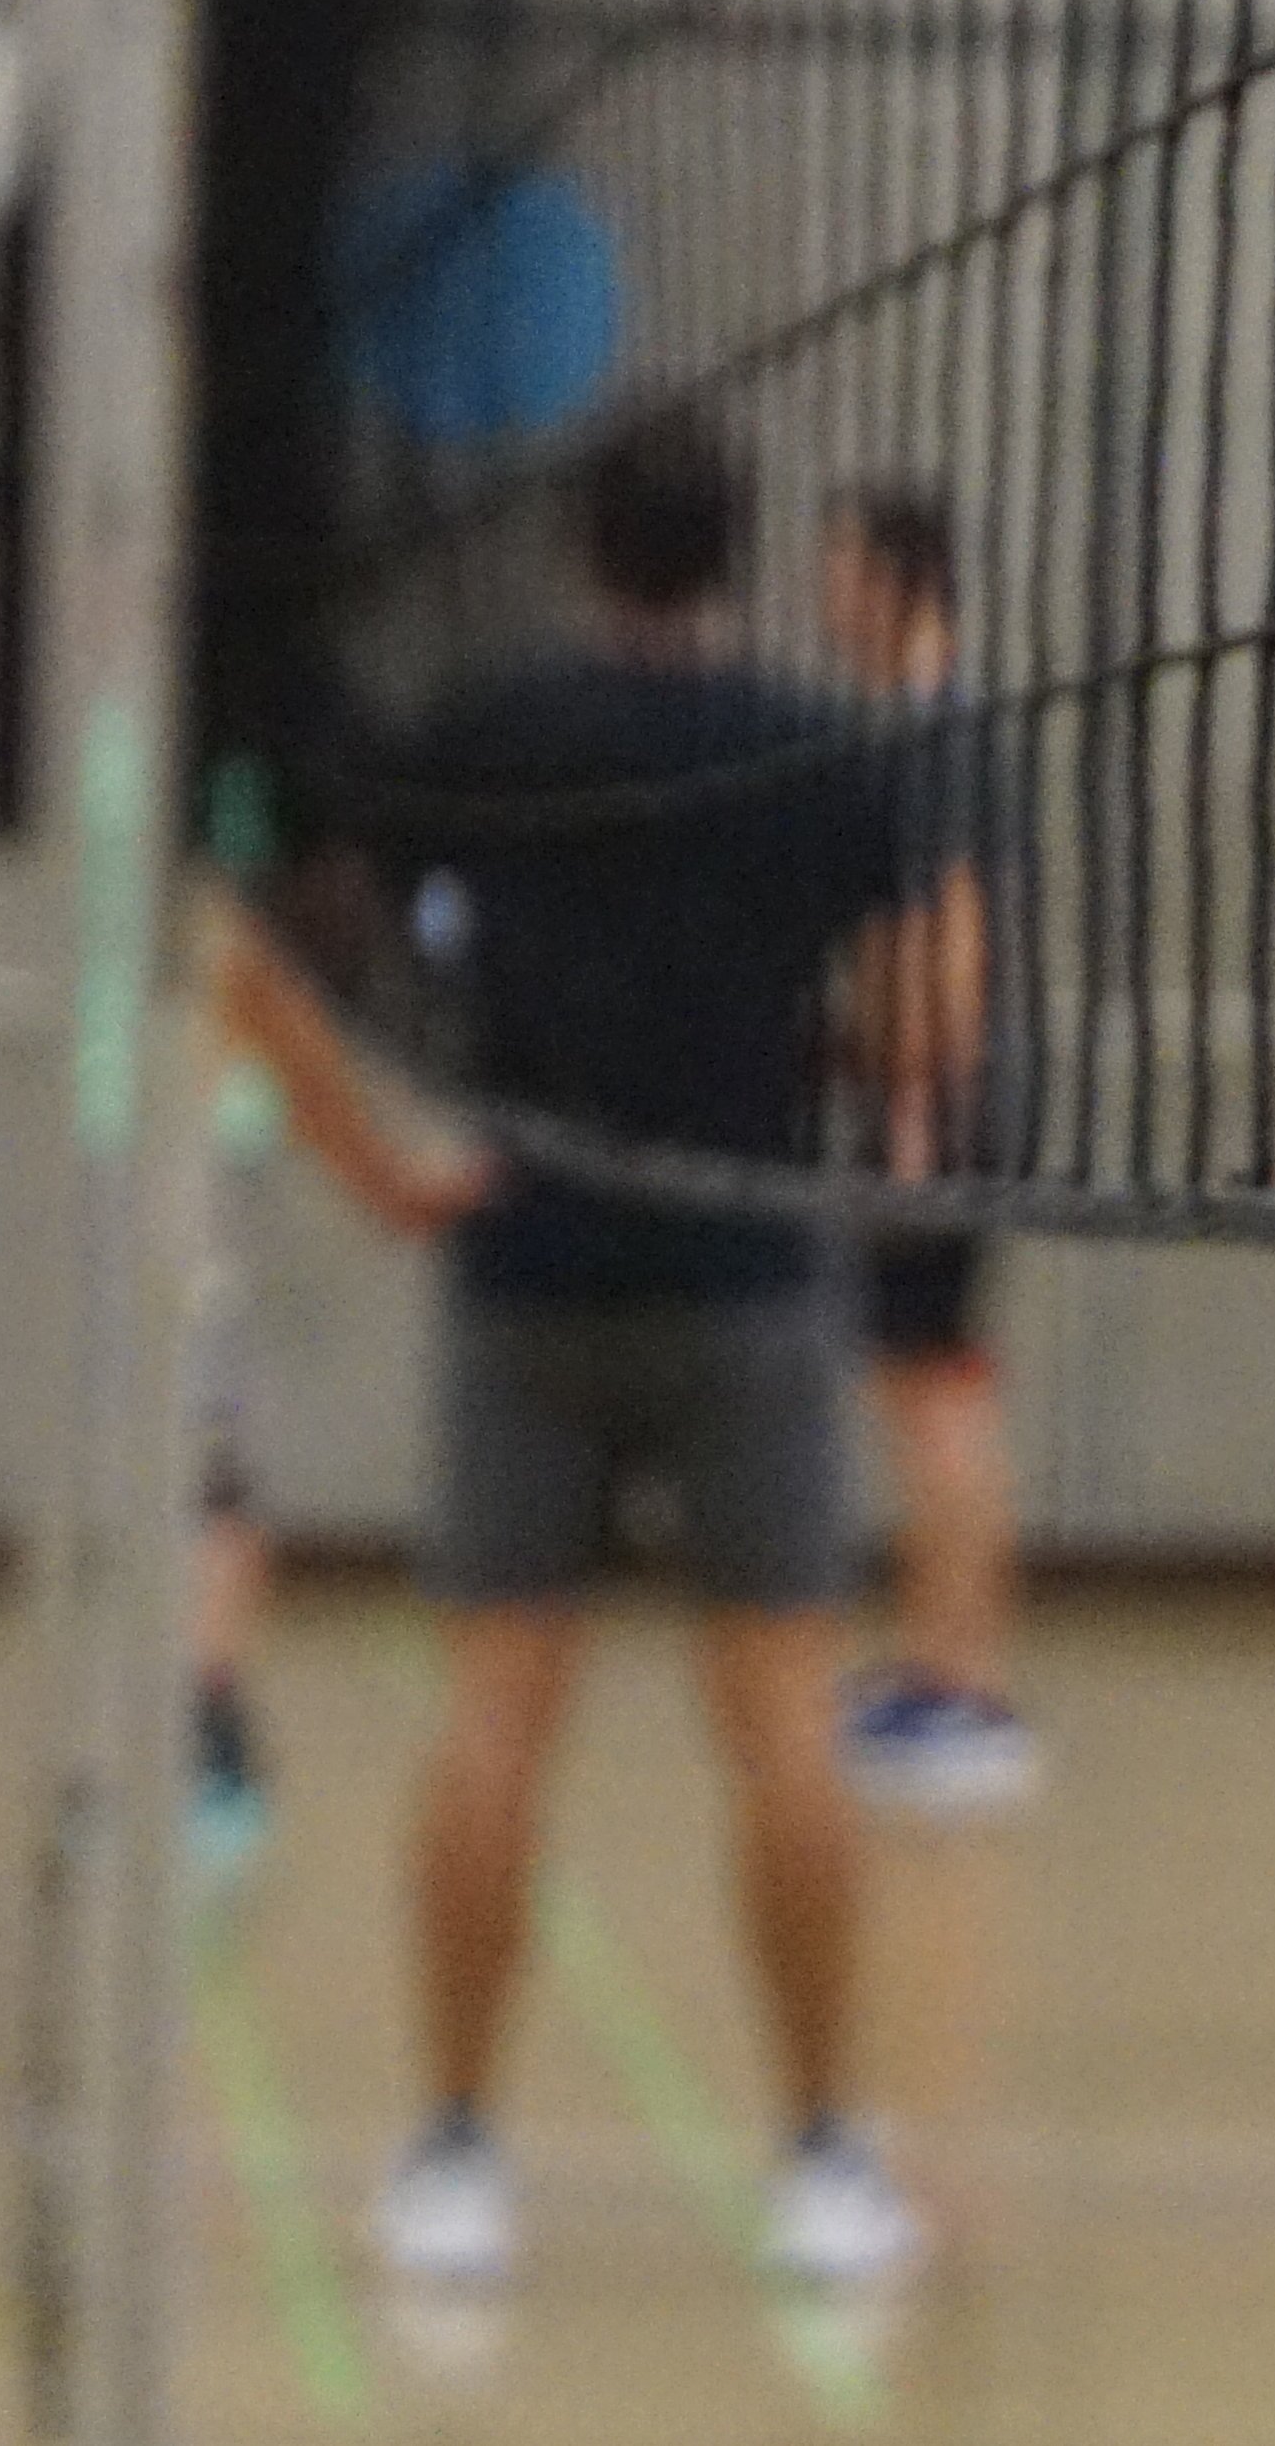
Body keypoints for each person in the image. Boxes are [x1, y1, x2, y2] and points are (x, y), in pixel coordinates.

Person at [348, 414, 927, 2291]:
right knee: (783, 1727)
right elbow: (914, 1018)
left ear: (588, 553)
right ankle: (826, 2158)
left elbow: (331, 922)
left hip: (523, 1267)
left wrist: (419, 1108)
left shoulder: (490, 733)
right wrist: (815, 1069)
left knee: (497, 1720)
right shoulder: (819, 754)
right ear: (739, 554)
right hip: (746, 1267)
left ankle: (452, 2155)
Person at [174, 775, 495, 1885]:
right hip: (168, 1271)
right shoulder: (212, 926)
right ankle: (204, 1731)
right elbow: (302, 1055)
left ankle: (198, 1729)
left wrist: (388, 1184)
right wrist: (390, 1184)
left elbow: (297, 1057)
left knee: (208, 1496)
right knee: (215, 1499)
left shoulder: (192, 918)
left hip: (169, 1268)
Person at [819, 487, 1039, 1818]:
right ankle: (932, 1659)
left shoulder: (935, 736)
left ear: (900, 582)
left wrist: (912, 1106)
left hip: (939, 1102)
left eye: (840, 572)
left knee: (939, 1395)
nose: (826, 598)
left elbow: (948, 932)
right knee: (921, 1392)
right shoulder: (908, 727)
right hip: (923, 1089)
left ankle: (966, 1683)